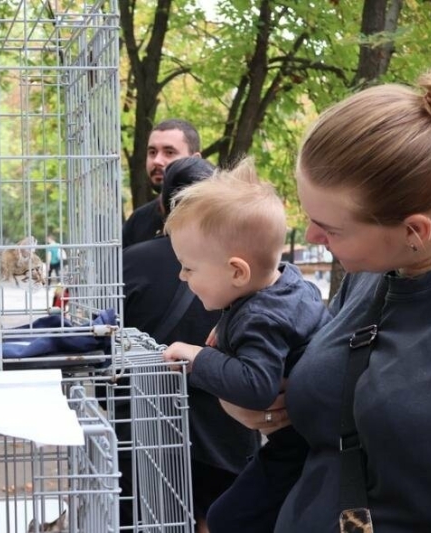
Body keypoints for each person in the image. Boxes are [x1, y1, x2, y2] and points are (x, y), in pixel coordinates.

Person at [218, 58, 431, 532]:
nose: (313, 236)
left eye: (331, 228)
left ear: (415, 230)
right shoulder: (376, 267)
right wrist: (268, 400)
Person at [161, 159, 331, 532]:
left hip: (296, 445)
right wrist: (225, 328)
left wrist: (199, 357)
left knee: (228, 517)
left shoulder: (261, 319)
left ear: (237, 271)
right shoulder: (286, 282)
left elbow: (256, 386)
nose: (181, 275)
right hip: (307, 435)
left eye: (189, 268)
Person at [121, 157, 260, 533]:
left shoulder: (130, 263)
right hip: (227, 434)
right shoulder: (249, 264)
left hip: (147, 433)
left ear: (163, 208)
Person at [122, 119, 202, 248]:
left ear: (195, 159)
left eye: (169, 152)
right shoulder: (138, 220)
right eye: (152, 152)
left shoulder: (219, 216)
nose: (157, 161)